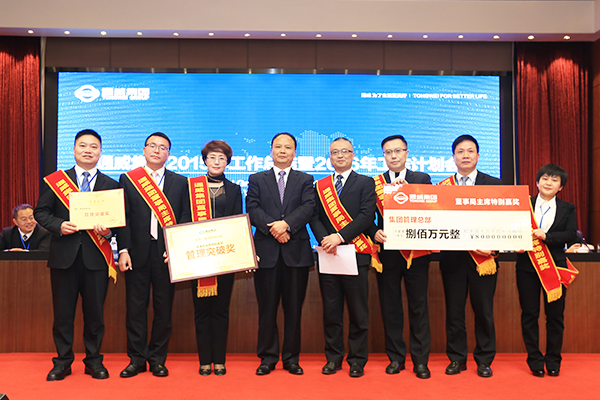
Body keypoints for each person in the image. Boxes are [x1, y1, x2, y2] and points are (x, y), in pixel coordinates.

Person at [34, 129, 119, 381]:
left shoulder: (111, 185)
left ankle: (94, 361)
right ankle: (62, 362)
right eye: (82, 145)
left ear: (100, 152)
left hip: (96, 259)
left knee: (95, 316)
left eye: (93, 146)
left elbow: (118, 221)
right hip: (64, 258)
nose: (87, 150)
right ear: (73, 150)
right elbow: (41, 212)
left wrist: (109, 231)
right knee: (63, 315)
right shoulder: (56, 181)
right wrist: (59, 225)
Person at [117, 132, 191, 378]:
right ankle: (137, 359)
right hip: (136, 253)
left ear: (169, 154)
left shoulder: (180, 182)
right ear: (144, 150)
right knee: (135, 309)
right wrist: (124, 250)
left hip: (166, 254)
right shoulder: (129, 179)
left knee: (163, 309)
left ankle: (158, 359)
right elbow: (123, 217)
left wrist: (177, 248)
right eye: (152, 146)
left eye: (163, 147)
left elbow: (184, 217)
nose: (157, 150)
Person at [246, 132, 315, 376]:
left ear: (295, 152)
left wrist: (286, 225)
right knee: (267, 309)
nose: (283, 151)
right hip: (266, 253)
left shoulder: (305, 179)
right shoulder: (257, 179)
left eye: (288, 147)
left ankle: (291, 359)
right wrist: (274, 229)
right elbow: (252, 208)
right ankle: (267, 358)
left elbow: (309, 207)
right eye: (278, 147)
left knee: (294, 310)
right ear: (271, 151)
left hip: (296, 254)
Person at [309, 137, 377, 378]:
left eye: (345, 151)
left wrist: (339, 237)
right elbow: (314, 216)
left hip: (355, 254)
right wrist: (325, 240)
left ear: (353, 155)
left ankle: (357, 360)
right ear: (329, 157)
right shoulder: (320, 186)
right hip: (328, 254)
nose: (340, 155)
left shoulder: (366, 182)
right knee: (331, 311)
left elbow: (366, 216)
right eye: (335, 152)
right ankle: (333, 358)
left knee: (358, 312)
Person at [368, 135, 432, 378]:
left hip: (417, 253)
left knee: (419, 306)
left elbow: (430, 210)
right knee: (391, 307)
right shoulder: (374, 183)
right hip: (388, 254)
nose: (393, 156)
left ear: (406, 153)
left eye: (398, 151)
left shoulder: (421, 179)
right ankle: (395, 358)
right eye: (388, 152)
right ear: (383, 155)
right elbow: (366, 216)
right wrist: (374, 231)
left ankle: (420, 361)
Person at [438, 134, 502, 378]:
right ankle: (457, 359)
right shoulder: (441, 188)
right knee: (454, 312)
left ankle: (484, 360)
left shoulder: (495, 185)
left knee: (483, 312)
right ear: (453, 157)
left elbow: (505, 222)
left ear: (478, 155)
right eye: (460, 151)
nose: (465, 155)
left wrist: (494, 248)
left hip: (483, 260)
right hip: (452, 261)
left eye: (470, 151)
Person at [516, 164, 577, 377]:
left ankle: (553, 360)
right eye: (545, 178)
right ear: (537, 182)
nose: (548, 183)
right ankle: (534, 360)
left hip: (555, 268)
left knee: (555, 316)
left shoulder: (567, 208)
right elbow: (512, 228)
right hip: (526, 267)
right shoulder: (524, 204)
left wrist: (547, 236)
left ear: (561, 187)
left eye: (554, 180)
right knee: (529, 315)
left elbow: (571, 234)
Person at [191, 141, 243, 376]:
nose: (216, 162)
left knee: (221, 310)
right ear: (205, 161)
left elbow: (238, 222)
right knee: (201, 311)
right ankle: (204, 361)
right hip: (197, 257)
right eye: (212, 157)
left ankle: (219, 361)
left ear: (227, 162)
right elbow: (184, 217)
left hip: (224, 258)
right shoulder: (192, 187)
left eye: (221, 158)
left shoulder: (234, 189)